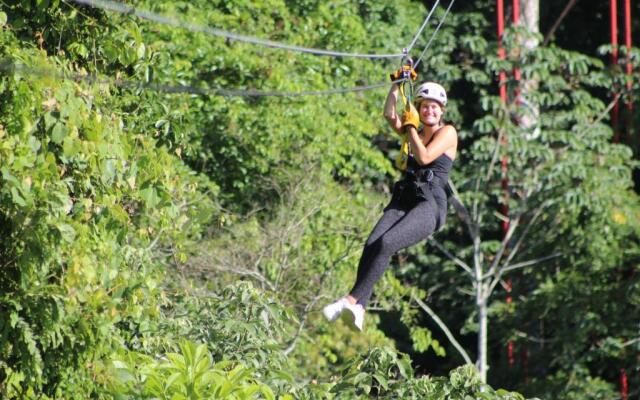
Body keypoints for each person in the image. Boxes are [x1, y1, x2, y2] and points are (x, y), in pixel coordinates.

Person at [322, 79, 458, 331]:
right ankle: (359, 308)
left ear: (442, 111)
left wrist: (410, 128)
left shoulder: (447, 132)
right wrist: (396, 86)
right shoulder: (413, 130)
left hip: (430, 205)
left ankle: (350, 301)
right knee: (372, 243)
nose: (430, 111)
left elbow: (425, 156)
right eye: (425, 107)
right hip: (405, 198)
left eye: (435, 107)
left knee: (387, 243)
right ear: (419, 107)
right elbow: (389, 114)